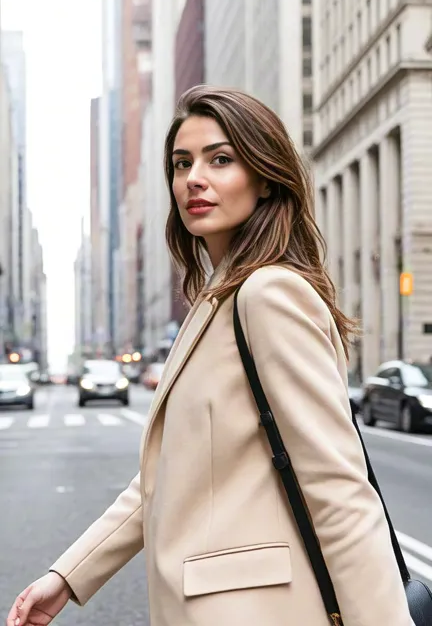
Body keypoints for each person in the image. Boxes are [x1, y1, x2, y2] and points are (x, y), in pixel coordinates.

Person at [7, 85, 414, 626]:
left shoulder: (269, 295)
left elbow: (338, 489)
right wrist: (68, 576)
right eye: (181, 163)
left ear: (265, 177)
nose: (193, 178)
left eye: (220, 159)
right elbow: (163, 477)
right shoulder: (213, 302)